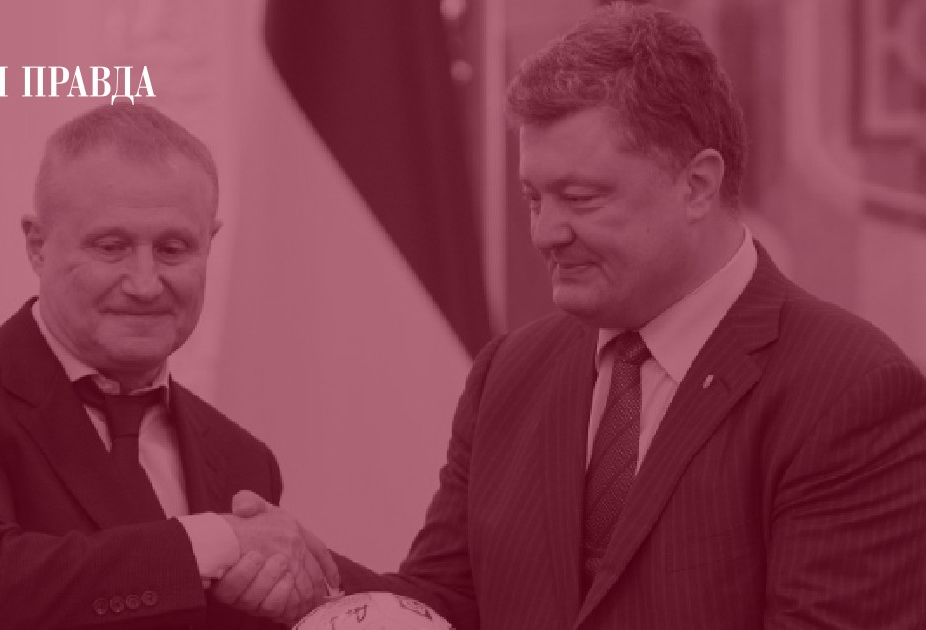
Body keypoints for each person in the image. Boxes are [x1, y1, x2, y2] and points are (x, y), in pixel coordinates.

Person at [232, 3, 926, 628]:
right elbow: (443, 607)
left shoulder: (849, 389)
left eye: (581, 198)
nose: (546, 233)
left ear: (697, 185)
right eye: (535, 198)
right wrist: (314, 583)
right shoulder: (507, 374)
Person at [0, 103, 336, 629]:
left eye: (173, 249)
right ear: (37, 246)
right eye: (112, 247)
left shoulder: (244, 460)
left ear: (209, 246)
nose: (145, 283)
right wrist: (218, 540)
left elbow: (332, 592)